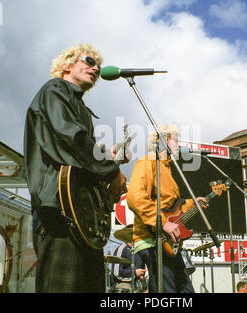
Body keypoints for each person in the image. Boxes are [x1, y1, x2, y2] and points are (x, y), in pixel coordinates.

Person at [24, 43, 128, 293]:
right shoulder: (54, 90)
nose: (95, 68)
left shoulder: (80, 107)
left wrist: (107, 159)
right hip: (59, 212)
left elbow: (80, 153)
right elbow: (71, 139)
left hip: (82, 216)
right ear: (66, 65)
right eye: (89, 61)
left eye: (98, 66)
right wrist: (111, 170)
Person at [126, 124, 208, 293]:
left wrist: (193, 204)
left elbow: (171, 206)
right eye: (175, 140)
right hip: (152, 238)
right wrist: (163, 223)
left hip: (168, 242)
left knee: (186, 291)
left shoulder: (167, 169)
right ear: (160, 141)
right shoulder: (146, 163)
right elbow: (135, 198)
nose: (178, 144)